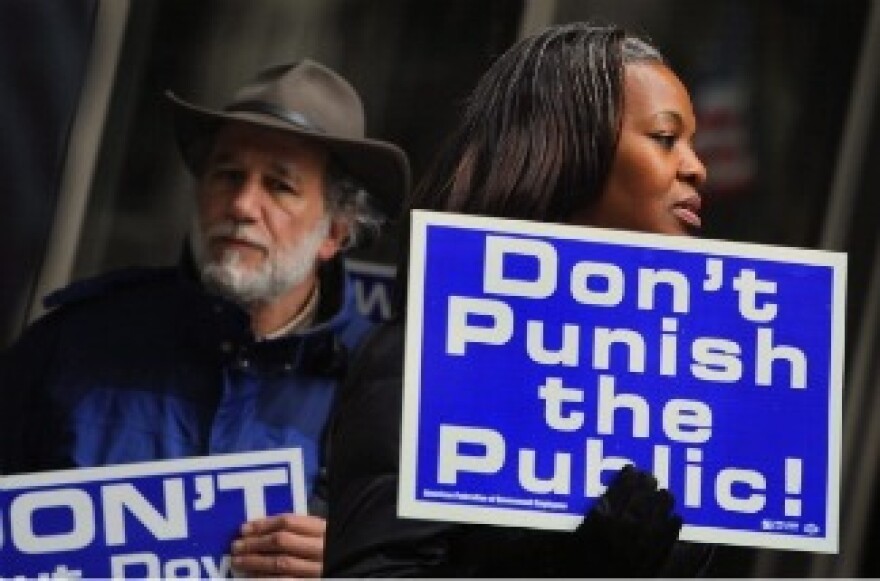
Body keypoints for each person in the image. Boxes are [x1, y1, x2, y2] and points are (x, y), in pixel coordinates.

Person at [324, 23, 714, 577]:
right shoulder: (432, 358)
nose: (697, 167)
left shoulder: (681, 387)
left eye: (693, 144)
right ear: (571, 148)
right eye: (665, 138)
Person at [0, 59, 409, 578]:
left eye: (279, 186)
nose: (241, 204)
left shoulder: (382, 391)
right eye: (227, 174)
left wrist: (354, 566)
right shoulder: (74, 344)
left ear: (336, 231)